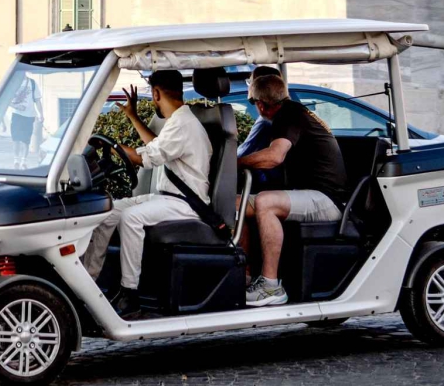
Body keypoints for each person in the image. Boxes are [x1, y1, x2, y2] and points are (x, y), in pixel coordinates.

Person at [82, 71, 213, 318]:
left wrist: (110, 145)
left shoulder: (183, 124)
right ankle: (88, 283)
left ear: (155, 93)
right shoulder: (179, 121)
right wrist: (132, 116)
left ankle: (129, 294)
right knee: (110, 210)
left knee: (130, 217)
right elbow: (156, 146)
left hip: (187, 203)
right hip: (168, 197)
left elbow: (145, 157)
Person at [239, 73, 349, 307]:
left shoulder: (289, 115)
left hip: (327, 200)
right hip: (310, 195)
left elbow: (274, 156)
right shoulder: (292, 113)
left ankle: (270, 286)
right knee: (235, 203)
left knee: (265, 202)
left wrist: (234, 162)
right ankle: (244, 278)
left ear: (260, 104)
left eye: (251, 102)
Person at [236, 66, 284, 188]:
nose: (248, 86)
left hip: (267, 184)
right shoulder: (278, 115)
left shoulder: (266, 121)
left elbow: (243, 154)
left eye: (250, 82)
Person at [4, 75, 43, 169]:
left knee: (26, 140)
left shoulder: (32, 83)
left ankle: (23, 161)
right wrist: (16, 106)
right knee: (16, 139)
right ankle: (16, 160)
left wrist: (41, 114)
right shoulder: (13, 82)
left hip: (30, 115)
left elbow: (37, 100)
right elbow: (6, 99)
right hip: (16, 114)